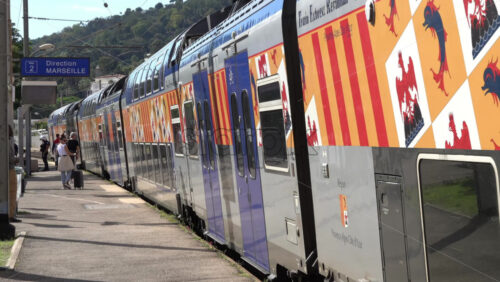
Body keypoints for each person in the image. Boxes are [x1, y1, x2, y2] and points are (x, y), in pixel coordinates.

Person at [8, 125, 20, 222]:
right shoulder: (9, 141)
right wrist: (17, 159)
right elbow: (10, 157)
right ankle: (10, 215)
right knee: (12, 192)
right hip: (9, 169)